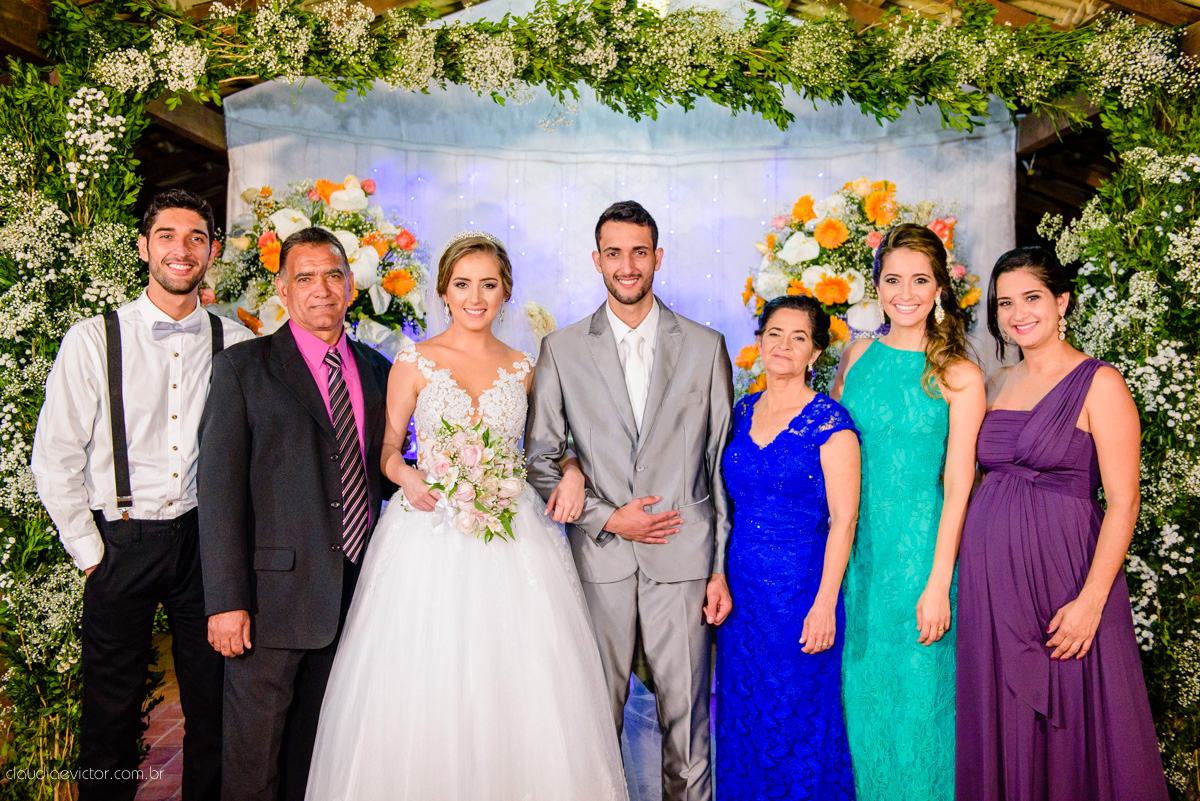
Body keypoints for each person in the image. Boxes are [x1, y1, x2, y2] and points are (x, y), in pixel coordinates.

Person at [304, 232, 628, 801]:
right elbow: (384, 451)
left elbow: (552, 446)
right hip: (428, 532)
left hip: (513, 533)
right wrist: (407, 475)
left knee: (517, 680)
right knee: (428, 674)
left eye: (488, 285)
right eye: (462, 285)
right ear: (444, 292)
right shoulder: (414, 360)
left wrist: (573, 471)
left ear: (505, 293)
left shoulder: (527, 366)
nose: (475, 297)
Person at [30, 189, 253, 801]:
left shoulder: (235, 342)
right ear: (143, 247)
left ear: (211, 253)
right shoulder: (92, 339)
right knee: (111, 712)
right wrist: (90, 552)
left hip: (204, 543)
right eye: (167, 236)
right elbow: (53, 456)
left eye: (195, 238)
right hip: (120, 540)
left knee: (212, 706)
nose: (181, 250)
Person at [525, 200, 734, 801]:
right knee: (593, 722)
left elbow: (719, 467)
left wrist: (719, 568)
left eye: (639, 252)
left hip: (685, 563)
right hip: (601, 563)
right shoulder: (561, 349)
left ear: (658, 257)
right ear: (596, 260)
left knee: (689, 728)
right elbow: (539, 458)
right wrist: (606, 516)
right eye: (614, 253)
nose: (627, 264)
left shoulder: (705, 346)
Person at [955, 247, 1169, 801]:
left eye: (1031, 297)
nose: (1017, 313)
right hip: (991, 584)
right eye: (1005, 303)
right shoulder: (997, 382)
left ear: (1062, 302)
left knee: (1071, 717)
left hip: (1065, 579)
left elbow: (1124, 501)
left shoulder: (1101, 383)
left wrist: (1092, 601)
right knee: (1002, 713)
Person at [198, 227, 393, 801]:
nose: (321, 290)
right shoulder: (244, 368)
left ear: (351, 285)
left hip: (356, 593)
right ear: (283, 289)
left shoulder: (378, 369)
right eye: (304, 278)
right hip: (270, 602)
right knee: (254, 762)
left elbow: (384, 473)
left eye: (333, 275)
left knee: (320, 755)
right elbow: (220, 491)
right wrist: (227, 601)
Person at [830, 223, 985, 801]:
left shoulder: (960, 376)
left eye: (920, 280)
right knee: (864, 706)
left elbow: (959, 481)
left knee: (923, 708)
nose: (906, 293)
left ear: (940, 286)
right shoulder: (857, 356)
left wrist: (939, 581)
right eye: (893, 279)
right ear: (877, 287)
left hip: (922, 560)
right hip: (860, 561)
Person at [716, 295, 860, 800]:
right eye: (775, 333)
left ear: (814, 354)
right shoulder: (739, 412)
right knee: (744, 713)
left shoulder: (830, 424)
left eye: (799, 337)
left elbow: (844, 522)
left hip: (801, 591)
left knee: (800, 716)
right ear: (759, 341)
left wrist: (824, 606)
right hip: (743, 597)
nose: (783, 345)